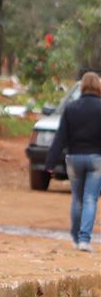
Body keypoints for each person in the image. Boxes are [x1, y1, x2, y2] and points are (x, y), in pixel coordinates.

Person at [45, 71, 101, 253]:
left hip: (74, 158)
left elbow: (60, 138)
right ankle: (85, 240)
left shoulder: (71, 108)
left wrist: (50, 163)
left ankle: (76, 240)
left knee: (77, 199)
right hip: (96, 160)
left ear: (83, 86)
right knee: (90, 198)